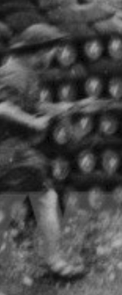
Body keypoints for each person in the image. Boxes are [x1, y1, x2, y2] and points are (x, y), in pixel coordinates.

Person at [0, 24, 86, 282]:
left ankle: (54, 261)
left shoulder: (20, 71)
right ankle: (55, 261)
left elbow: (26, 103)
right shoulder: (15, 74)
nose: (53, 56)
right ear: (38, 51)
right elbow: (3, 107)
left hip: (11, 149)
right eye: (51, 50)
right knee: (43, 198)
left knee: (34, 200)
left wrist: (58, 108)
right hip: (10, 149)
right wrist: (33, 123)